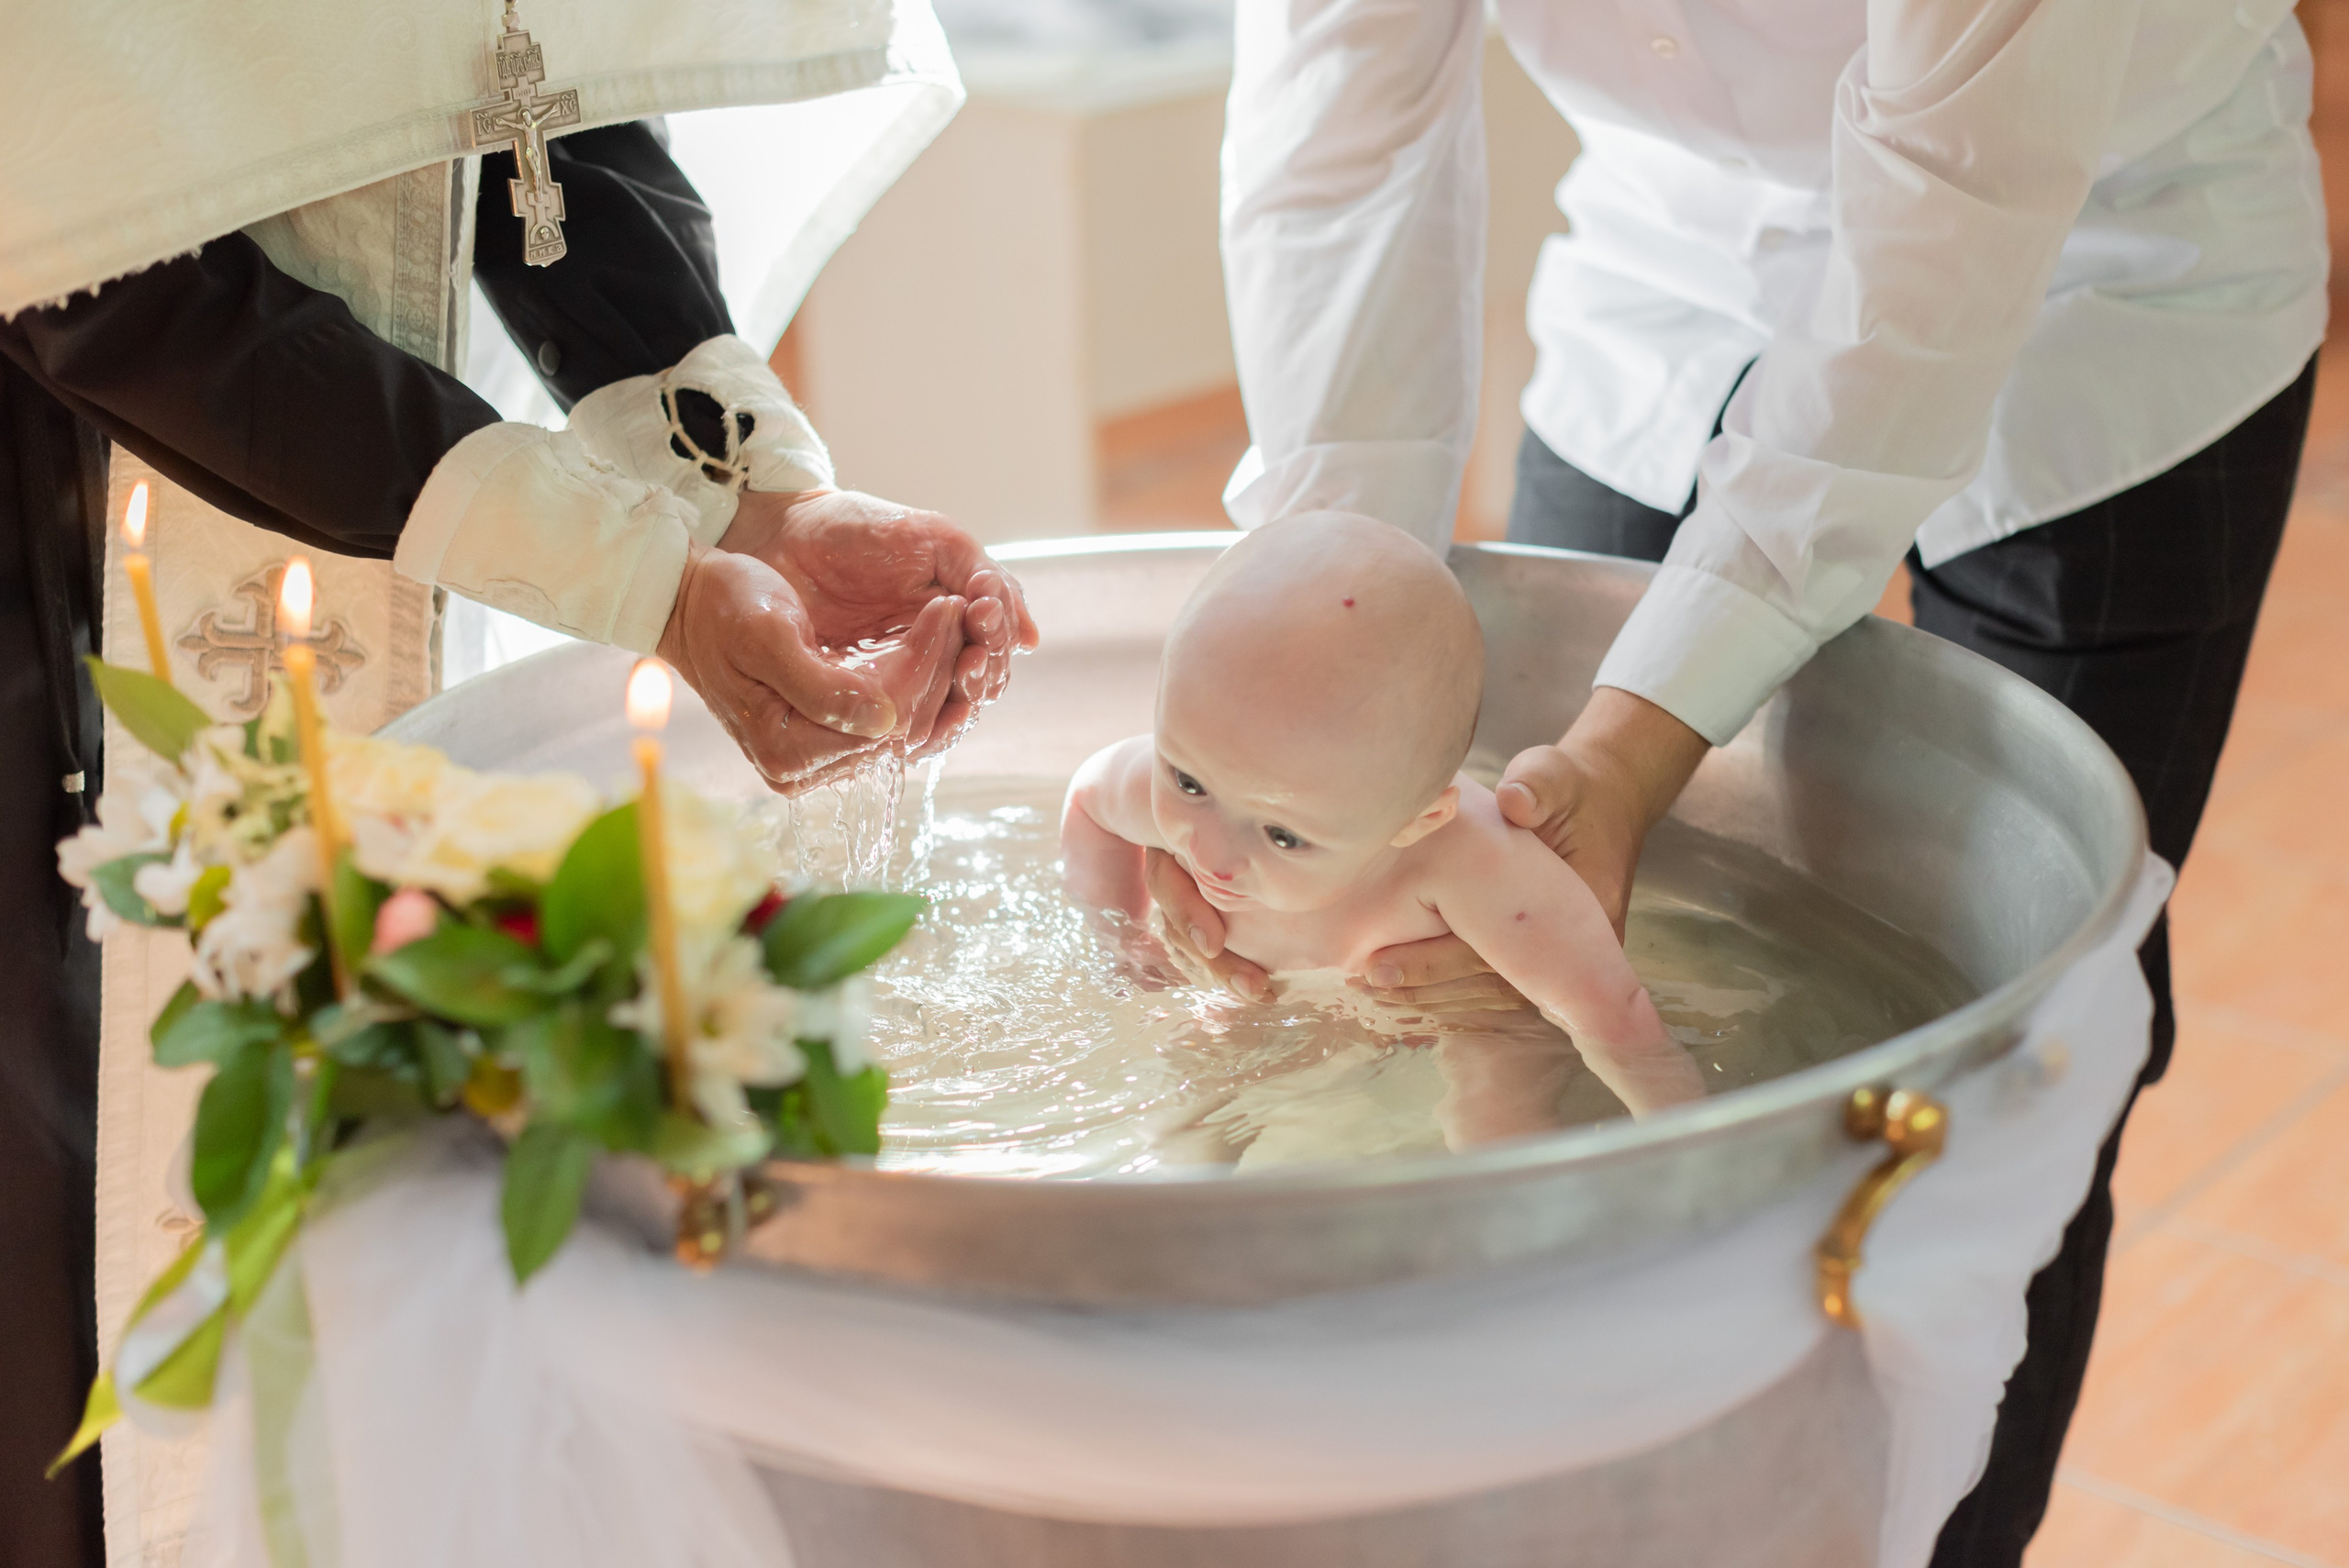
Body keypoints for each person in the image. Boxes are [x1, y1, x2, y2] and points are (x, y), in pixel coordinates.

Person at [1152, 0, 2326, 1561]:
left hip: (2103, 280)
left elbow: (1945, 231)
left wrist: (1639, 750)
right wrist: (1320, 665)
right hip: (1669, 266)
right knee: (1484, 985)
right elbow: (1340, 143)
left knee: (2026, 1052)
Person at [0, 21, 1024, 1562]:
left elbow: (520, 90)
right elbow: (82, 232)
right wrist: (640, 572)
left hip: (372, 514)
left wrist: (752, 493)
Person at [1061, 512, 1702, 1116]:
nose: (1209, 854)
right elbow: (1089, 801)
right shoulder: (1205, 766)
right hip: (1253, 998)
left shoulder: (1472, 863)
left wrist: (1705, 1161)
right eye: (1190, 782)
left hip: (1460, 1017)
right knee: (1192, 1102)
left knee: (1501, 1098)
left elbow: (1616, 1017)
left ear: (1420, 820)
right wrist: (1123, 949)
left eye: (1283, 835)